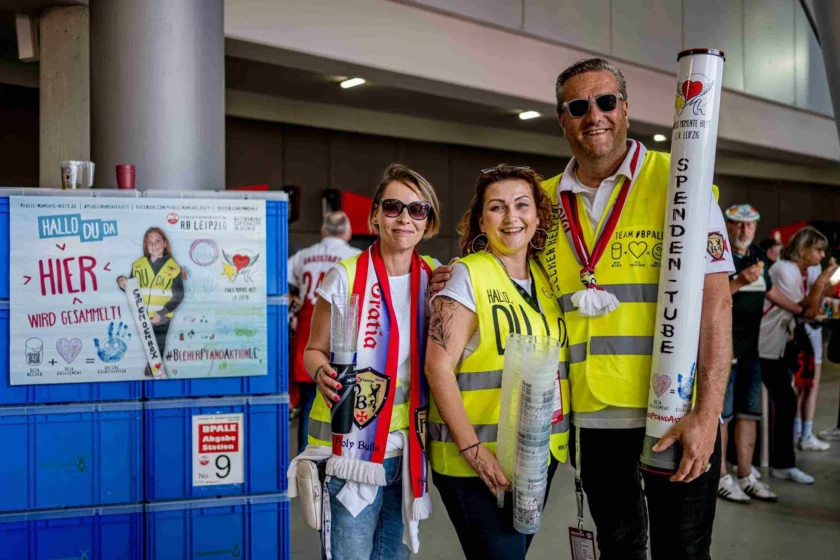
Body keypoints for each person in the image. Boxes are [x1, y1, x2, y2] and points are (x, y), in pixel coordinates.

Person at [433, 58, 734, 559]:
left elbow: (716, 305)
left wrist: (707, 413)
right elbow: (502, 271)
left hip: (673, 411)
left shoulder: (682, 179)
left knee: (684, 551)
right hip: (594, 422)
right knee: (618, 549)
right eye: (578, 106)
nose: (594, 115)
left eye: (606, 101)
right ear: (562, 119)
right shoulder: (541, 204)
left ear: (626, 109)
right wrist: (446, 276)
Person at [425, 165, 569, 559]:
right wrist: (473, 450)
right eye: (497, 207)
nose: (511, 217)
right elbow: (437, 367)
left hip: (534, 457)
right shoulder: (466, 276)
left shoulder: (545, 278)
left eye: (522, 205)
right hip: (475, 461)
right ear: (481, 220)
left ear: (538, 215)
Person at [300, 164, 440, 559]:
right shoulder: (343, 277)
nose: (405, 218)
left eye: (418, 209)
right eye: (394, 206)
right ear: (375, 214)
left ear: (428, 221)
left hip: (407, 451)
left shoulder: (434, 276)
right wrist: (319, 370)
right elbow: (313, 349)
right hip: (349, 452)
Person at [718, 205, 802, 503]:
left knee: (748, 413)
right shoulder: (718, 251)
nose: (743, 231)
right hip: (723, 350)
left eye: (749, 226)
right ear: (728, 225)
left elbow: (770, 291)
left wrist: (802, 311)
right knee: (723, 416)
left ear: (755, 228)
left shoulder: (757, 256)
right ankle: (721, 477)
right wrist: (740, 281)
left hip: (751, 351)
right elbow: (710, 297)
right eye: (738, 225)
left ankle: (745, 474)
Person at [759, 226, 837, 484]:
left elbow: (816, 304)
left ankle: (780, 460)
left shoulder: (808, 270)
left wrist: (822, 281)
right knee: (783, 401)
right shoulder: (785, 270)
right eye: (818, 250)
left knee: (785, 401)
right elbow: (806, 308)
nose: (822, 255)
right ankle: (779, 463)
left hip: (785, 343)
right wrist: (824, 279)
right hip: (768, 343)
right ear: (803, 250)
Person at [287, 211, 360, 453]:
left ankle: (305, 459)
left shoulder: (304, 256)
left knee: (310, 400)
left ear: (323, 231)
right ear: (348, 232)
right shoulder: (356, 258)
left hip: (307, 333)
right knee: (345, 398)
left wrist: (294, 302)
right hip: (344, 335)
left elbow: (281, 279)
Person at [117, 227, 183, 377]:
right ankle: (151, 377)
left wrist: (162, 313)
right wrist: (121, 282)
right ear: (146, 245)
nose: (154, 245)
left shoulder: (173, 267)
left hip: (162, 319)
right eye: (150, 242)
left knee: (157, 352)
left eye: (157, 241)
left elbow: (179, 295)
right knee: (148, 352)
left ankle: (154, 378)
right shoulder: (138, 265)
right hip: (142, 318)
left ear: (165, 243)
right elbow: (131, 288)